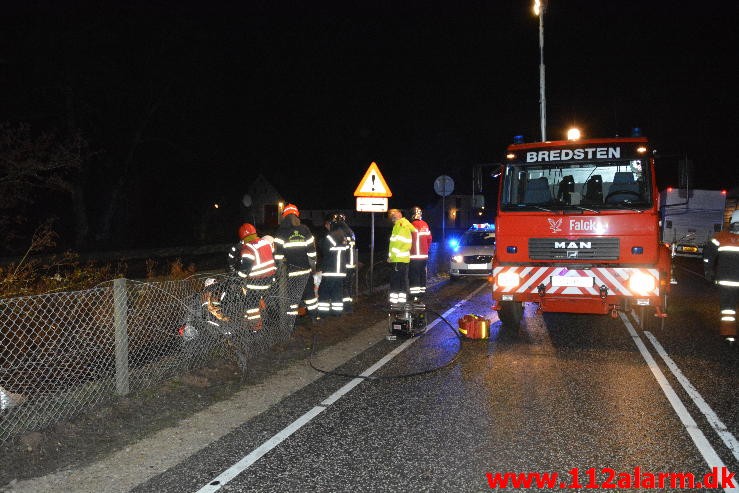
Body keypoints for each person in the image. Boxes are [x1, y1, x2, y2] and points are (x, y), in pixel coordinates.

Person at [273, 203, 319, 321]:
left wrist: (278, 270)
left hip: (291, 271)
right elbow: (312, 252)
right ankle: (314, 317)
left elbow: (278, 255)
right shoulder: (305, 229)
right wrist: (312, 267)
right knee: (310, 296)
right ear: (297, 216)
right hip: (306, 270)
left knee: (293, 298)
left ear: (284, 216)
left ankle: (291, 323)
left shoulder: (281, 232)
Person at [227, 222, 277, 330]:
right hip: (270, 280)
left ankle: (256, 328)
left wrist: (236, 277)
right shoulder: (265, 242)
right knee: (268, 301)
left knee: (251, 306)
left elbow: (245, 270)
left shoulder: (247, 249)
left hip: (256, 283)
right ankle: (274, 323)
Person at [703, 209, 739, 343]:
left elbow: (708, 254)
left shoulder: (721, 237)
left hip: (726, 281)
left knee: (728, 310)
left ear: (731, 221)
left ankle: (729, 335)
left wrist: (708, 270)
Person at [317, 213, 350, 317]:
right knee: (337, 293)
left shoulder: (331, 237)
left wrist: (320, 241)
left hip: (330, 269)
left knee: (324, 292)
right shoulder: (344, 237)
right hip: (340, 270)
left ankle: (323, 313)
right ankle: (337, 313)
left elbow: (324, 249)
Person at [387, 208, 416, 307]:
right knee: (402, 280)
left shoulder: (400, 225)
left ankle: (394, 303)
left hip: (398, 259)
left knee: (395, 281)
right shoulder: (404, 224)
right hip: (403, 259)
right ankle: (401, 301)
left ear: (398, 216)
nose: (392, 218)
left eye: (393, 216)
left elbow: (398, 242)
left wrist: (391, 256)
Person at [408, 206, 432, 302]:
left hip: (414, 255)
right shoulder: (425, 225)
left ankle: (415, 295)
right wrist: (426, 249)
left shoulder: (410, 225)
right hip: (424, 256)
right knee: (422, 274)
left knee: (414, 275)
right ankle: (422, 292)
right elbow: (429, 239)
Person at [336, 213, 357, 313]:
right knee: (348, 285)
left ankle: (347, 307)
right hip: (351, 263)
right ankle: (349, 304)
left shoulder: (339, 231)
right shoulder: (351, 231)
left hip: (343, 263)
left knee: (343, 285)